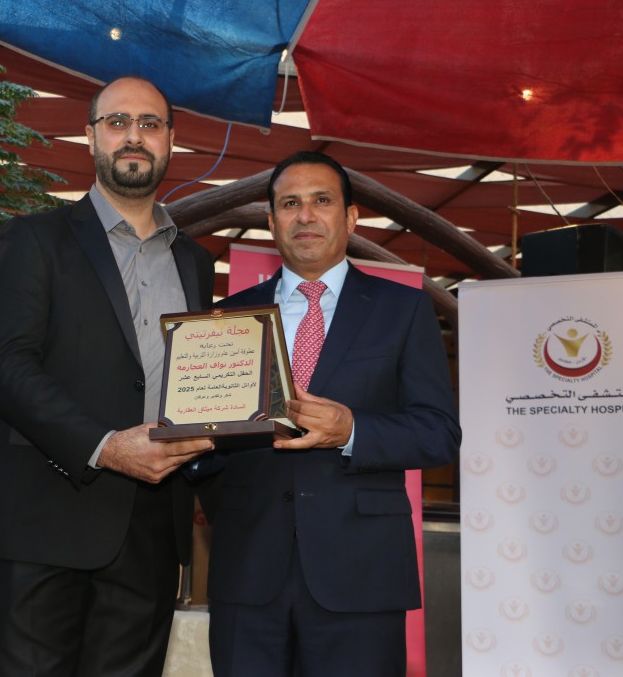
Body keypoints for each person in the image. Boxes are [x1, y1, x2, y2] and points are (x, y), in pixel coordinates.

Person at [0, 75, 216, 677]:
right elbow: (6, 370)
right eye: (117, 122)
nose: (134, 136)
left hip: (153, 531)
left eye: (150, 124)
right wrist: (105, 447)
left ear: (171, 140)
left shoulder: (195, 261)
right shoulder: (34, 238)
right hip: (46, 524)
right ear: (90, 137)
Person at [194, 151, 461, 676]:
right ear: (271, 221)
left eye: (322, 200)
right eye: (289, 203)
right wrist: (193, 446)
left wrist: (352, 430)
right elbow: (209, 438)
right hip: (248, 568)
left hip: (361, 572)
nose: (305, 215)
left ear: (351, 217)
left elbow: (438, 433)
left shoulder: (403, 309)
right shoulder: (226, 318)